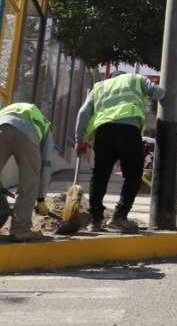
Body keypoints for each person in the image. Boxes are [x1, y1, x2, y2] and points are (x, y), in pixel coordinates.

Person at [74, 70, 165, 233]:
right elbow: (159, 93)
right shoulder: (136, 79)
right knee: (133, 175)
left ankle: (95, 220)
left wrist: (78, 140)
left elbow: (83, 112)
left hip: (104, 132)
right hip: (129, 131)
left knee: (99, 176)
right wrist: (149, 95)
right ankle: (119, 216)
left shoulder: (100, 86)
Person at [0, 101, 54, 243]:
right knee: (30, 182)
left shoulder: (8, 110)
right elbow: (45, 166)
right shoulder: (45, 125)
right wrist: (41, 199)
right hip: (27, 134)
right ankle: (20, 229)